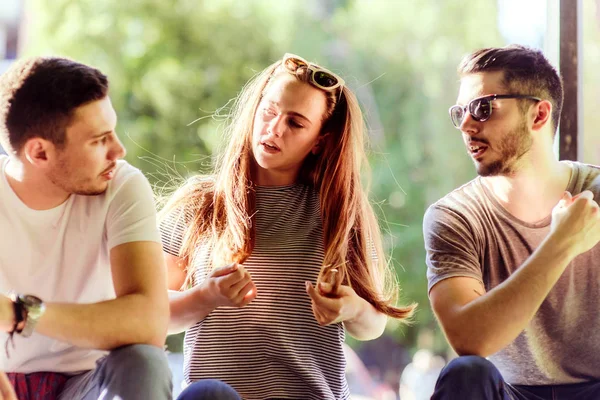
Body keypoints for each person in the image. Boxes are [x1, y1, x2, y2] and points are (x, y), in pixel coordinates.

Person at [159, 53, 415, 400]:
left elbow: (373, 325)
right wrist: (206, 296)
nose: (274, 128)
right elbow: (149, 311)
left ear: (320, 141)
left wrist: (350, 307)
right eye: (269, 110)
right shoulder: (199, 203)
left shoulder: (342, 213)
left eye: (295, 123)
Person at [424, 44, 600, 400]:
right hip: (510, 393)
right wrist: (561, 243)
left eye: (483, 108)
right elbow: (469, 340)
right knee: (467, 373)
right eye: (461, 112)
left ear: (538, 115)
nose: (467, 125)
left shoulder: (595, 194)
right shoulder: (454, 216)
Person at [0, 57, 172, 399]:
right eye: (99, 140)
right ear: (40, 152)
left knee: (144, 362)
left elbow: (150, 323)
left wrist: (21, 313)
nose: (119, 151)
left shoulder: (122, 186)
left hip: (90, 383)